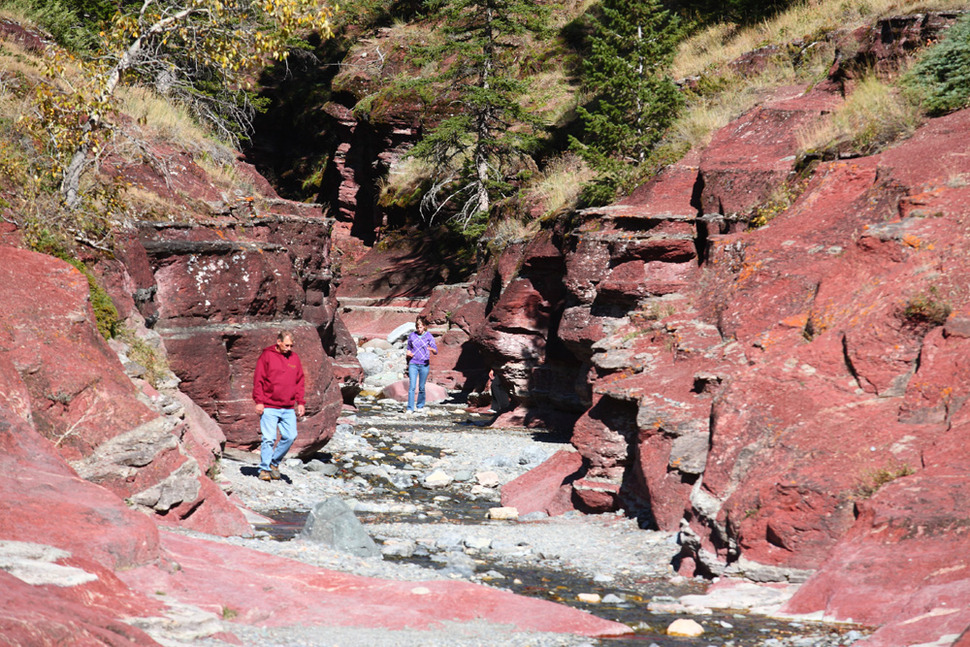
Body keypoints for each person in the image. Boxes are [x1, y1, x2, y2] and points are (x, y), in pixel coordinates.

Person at [252, 331, 306, 481]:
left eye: (291, 345)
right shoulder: (267, 356)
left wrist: (300, 402)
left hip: (288, 407)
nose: (289, 348)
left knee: (290, 436)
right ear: (278, 342)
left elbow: (299, 382)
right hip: (269, 405)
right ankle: (264, 469)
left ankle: (274, 463)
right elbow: (258, 380)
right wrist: (259, 401)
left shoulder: (294, 358)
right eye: (286, 345)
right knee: (268, 438)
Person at [405, 316, 437, 415]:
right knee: (412, 387)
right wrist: (408, 353)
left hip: (424, 364)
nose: (419, 329)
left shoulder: (429, 336)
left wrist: (432, 349)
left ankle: (420, 406)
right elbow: (408, 347)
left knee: (422, 387)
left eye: (421, 327)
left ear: (424, 327)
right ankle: (410, 408)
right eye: (418, 327)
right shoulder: (412, 336)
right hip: (413, 363)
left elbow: (436, 350)